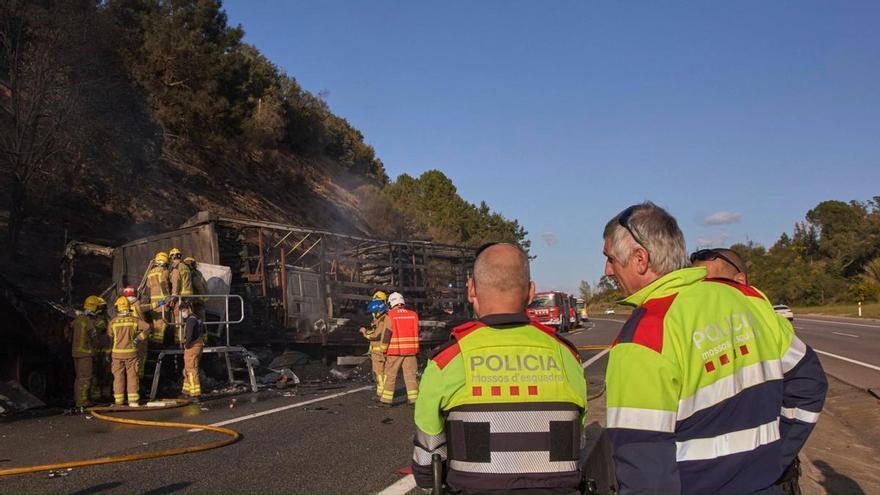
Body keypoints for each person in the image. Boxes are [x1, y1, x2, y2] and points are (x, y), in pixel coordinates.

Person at [601, 202, 827, 494]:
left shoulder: (644, 337)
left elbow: (644, 469)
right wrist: (774, 457)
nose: (607, 270)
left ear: (640, 259)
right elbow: (809, 384)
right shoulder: (750, 300)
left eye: (609, 258)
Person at [412, 243, 587, 493]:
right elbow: (578, 441)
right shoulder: (567, 356)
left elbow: (427, 464)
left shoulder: (447, 360)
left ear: (471, 288)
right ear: (531, 292)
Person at [379, 292, 420, 406]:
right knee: (411, 375)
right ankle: (414, 399)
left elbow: (387, 333)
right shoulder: (413, 315)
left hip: (394, 352)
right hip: (411, 352)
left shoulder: (390, 315)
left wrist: (383, 349)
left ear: (392, 303)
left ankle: (386, 400)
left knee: (390, 375)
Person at [108, 297, 149, 406]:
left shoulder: (113, 322)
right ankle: (133, 401)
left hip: (116, 354)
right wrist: (138, 339)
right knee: (132, 376)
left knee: (118, 377)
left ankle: (119, 401)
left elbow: (110, 338)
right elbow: (148, 328)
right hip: (131, 353)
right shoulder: (134, 320)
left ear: (118, 308)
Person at [68, 295, 101, 407]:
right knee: (85, 378)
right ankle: (82, 402)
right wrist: (96, 349)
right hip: (86, 354)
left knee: (79, 379)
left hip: (75, 353)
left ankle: (77, 399)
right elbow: (94, 337)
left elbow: (68, 330)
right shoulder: (88, 321)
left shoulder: (77, 320)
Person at [359, 290, 389, 398]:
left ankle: (381, 393)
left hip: (379, 352)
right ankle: (382, 392)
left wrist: (365, 332)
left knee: (379, 373)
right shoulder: (382, 318)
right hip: (378, 351)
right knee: (380, 372)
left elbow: (376, 334)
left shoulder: (382, 319)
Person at [123, 285, 152, 379]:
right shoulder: (138, 304)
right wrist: (161, 302)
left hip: (126, 337)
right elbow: (150, 307)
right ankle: (139, 380)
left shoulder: (121, 306)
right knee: (140, 359)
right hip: (140, 336)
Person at [179, 301, 206, 399]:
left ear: (189, 309)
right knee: (188, 368)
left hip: (192, 347)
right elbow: (204, 330)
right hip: (199, 345)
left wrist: (186, 345)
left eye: (184, 310)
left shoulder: (190, 320)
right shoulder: (198, 318)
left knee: (191, 370)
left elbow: (189, 335)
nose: (183, 313)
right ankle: (186, 391)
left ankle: (195, 394)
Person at [168, 247, 193, 344]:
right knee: (187, 319)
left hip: (181, 298)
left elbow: (176, 285)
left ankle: (180, 341)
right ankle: (188, 339)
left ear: (172, 258)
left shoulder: (176, 269)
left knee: (179, 319)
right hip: (189, 298)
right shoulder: (185, 267)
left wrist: (173, 299)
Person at [145, 251, 171, 345]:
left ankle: (156, 340)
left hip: (153, 301)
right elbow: (164, 284)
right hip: (162, 301)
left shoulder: (150, 272)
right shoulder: (164, 271)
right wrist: (168, 297)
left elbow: (148, 288)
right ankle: (158, 342)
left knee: (156, 322)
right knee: (162, 322)